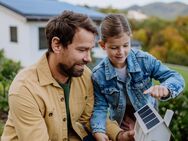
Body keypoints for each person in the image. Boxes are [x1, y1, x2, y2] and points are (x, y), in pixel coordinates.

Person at [1, 10, 98, 141]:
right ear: (57, 45)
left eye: (90, 50)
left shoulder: (84, 74)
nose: (88, 58)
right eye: (82, 50)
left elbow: (89, 118)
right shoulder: (24, 88)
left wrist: (119, 134)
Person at [90, 14, 185, 141]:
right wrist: (99, 130)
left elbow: (176, 77)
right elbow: (100, 107)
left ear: (130, 38)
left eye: (125, 45)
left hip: (150, 125)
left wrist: (166, 88)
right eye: (114, 47)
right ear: (102, 45)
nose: (121, 51)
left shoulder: (144, 60)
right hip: (120, 128)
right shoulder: (98, 75)